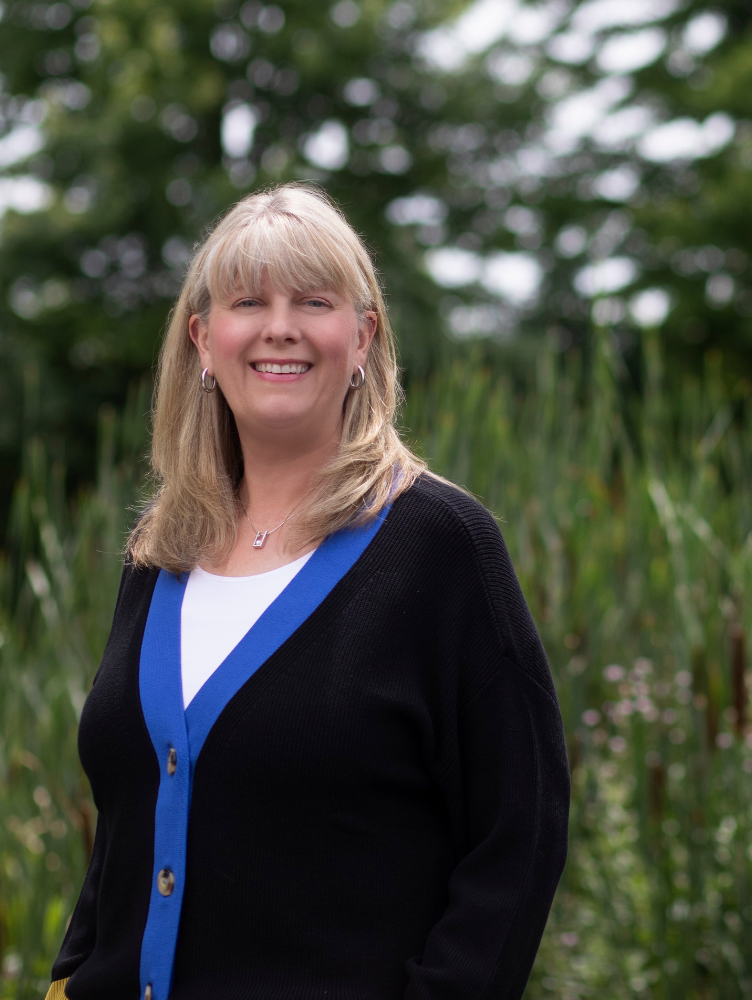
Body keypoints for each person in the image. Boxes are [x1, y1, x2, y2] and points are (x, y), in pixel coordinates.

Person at [45, 183, 570, 1000]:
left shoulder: (442, 547)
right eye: (249, 300)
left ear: (363, 338)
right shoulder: (160, 553)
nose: (279, 325)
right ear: (204, 341)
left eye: (314, 300)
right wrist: (70, 976)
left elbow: (521, 833)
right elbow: (128, 823)